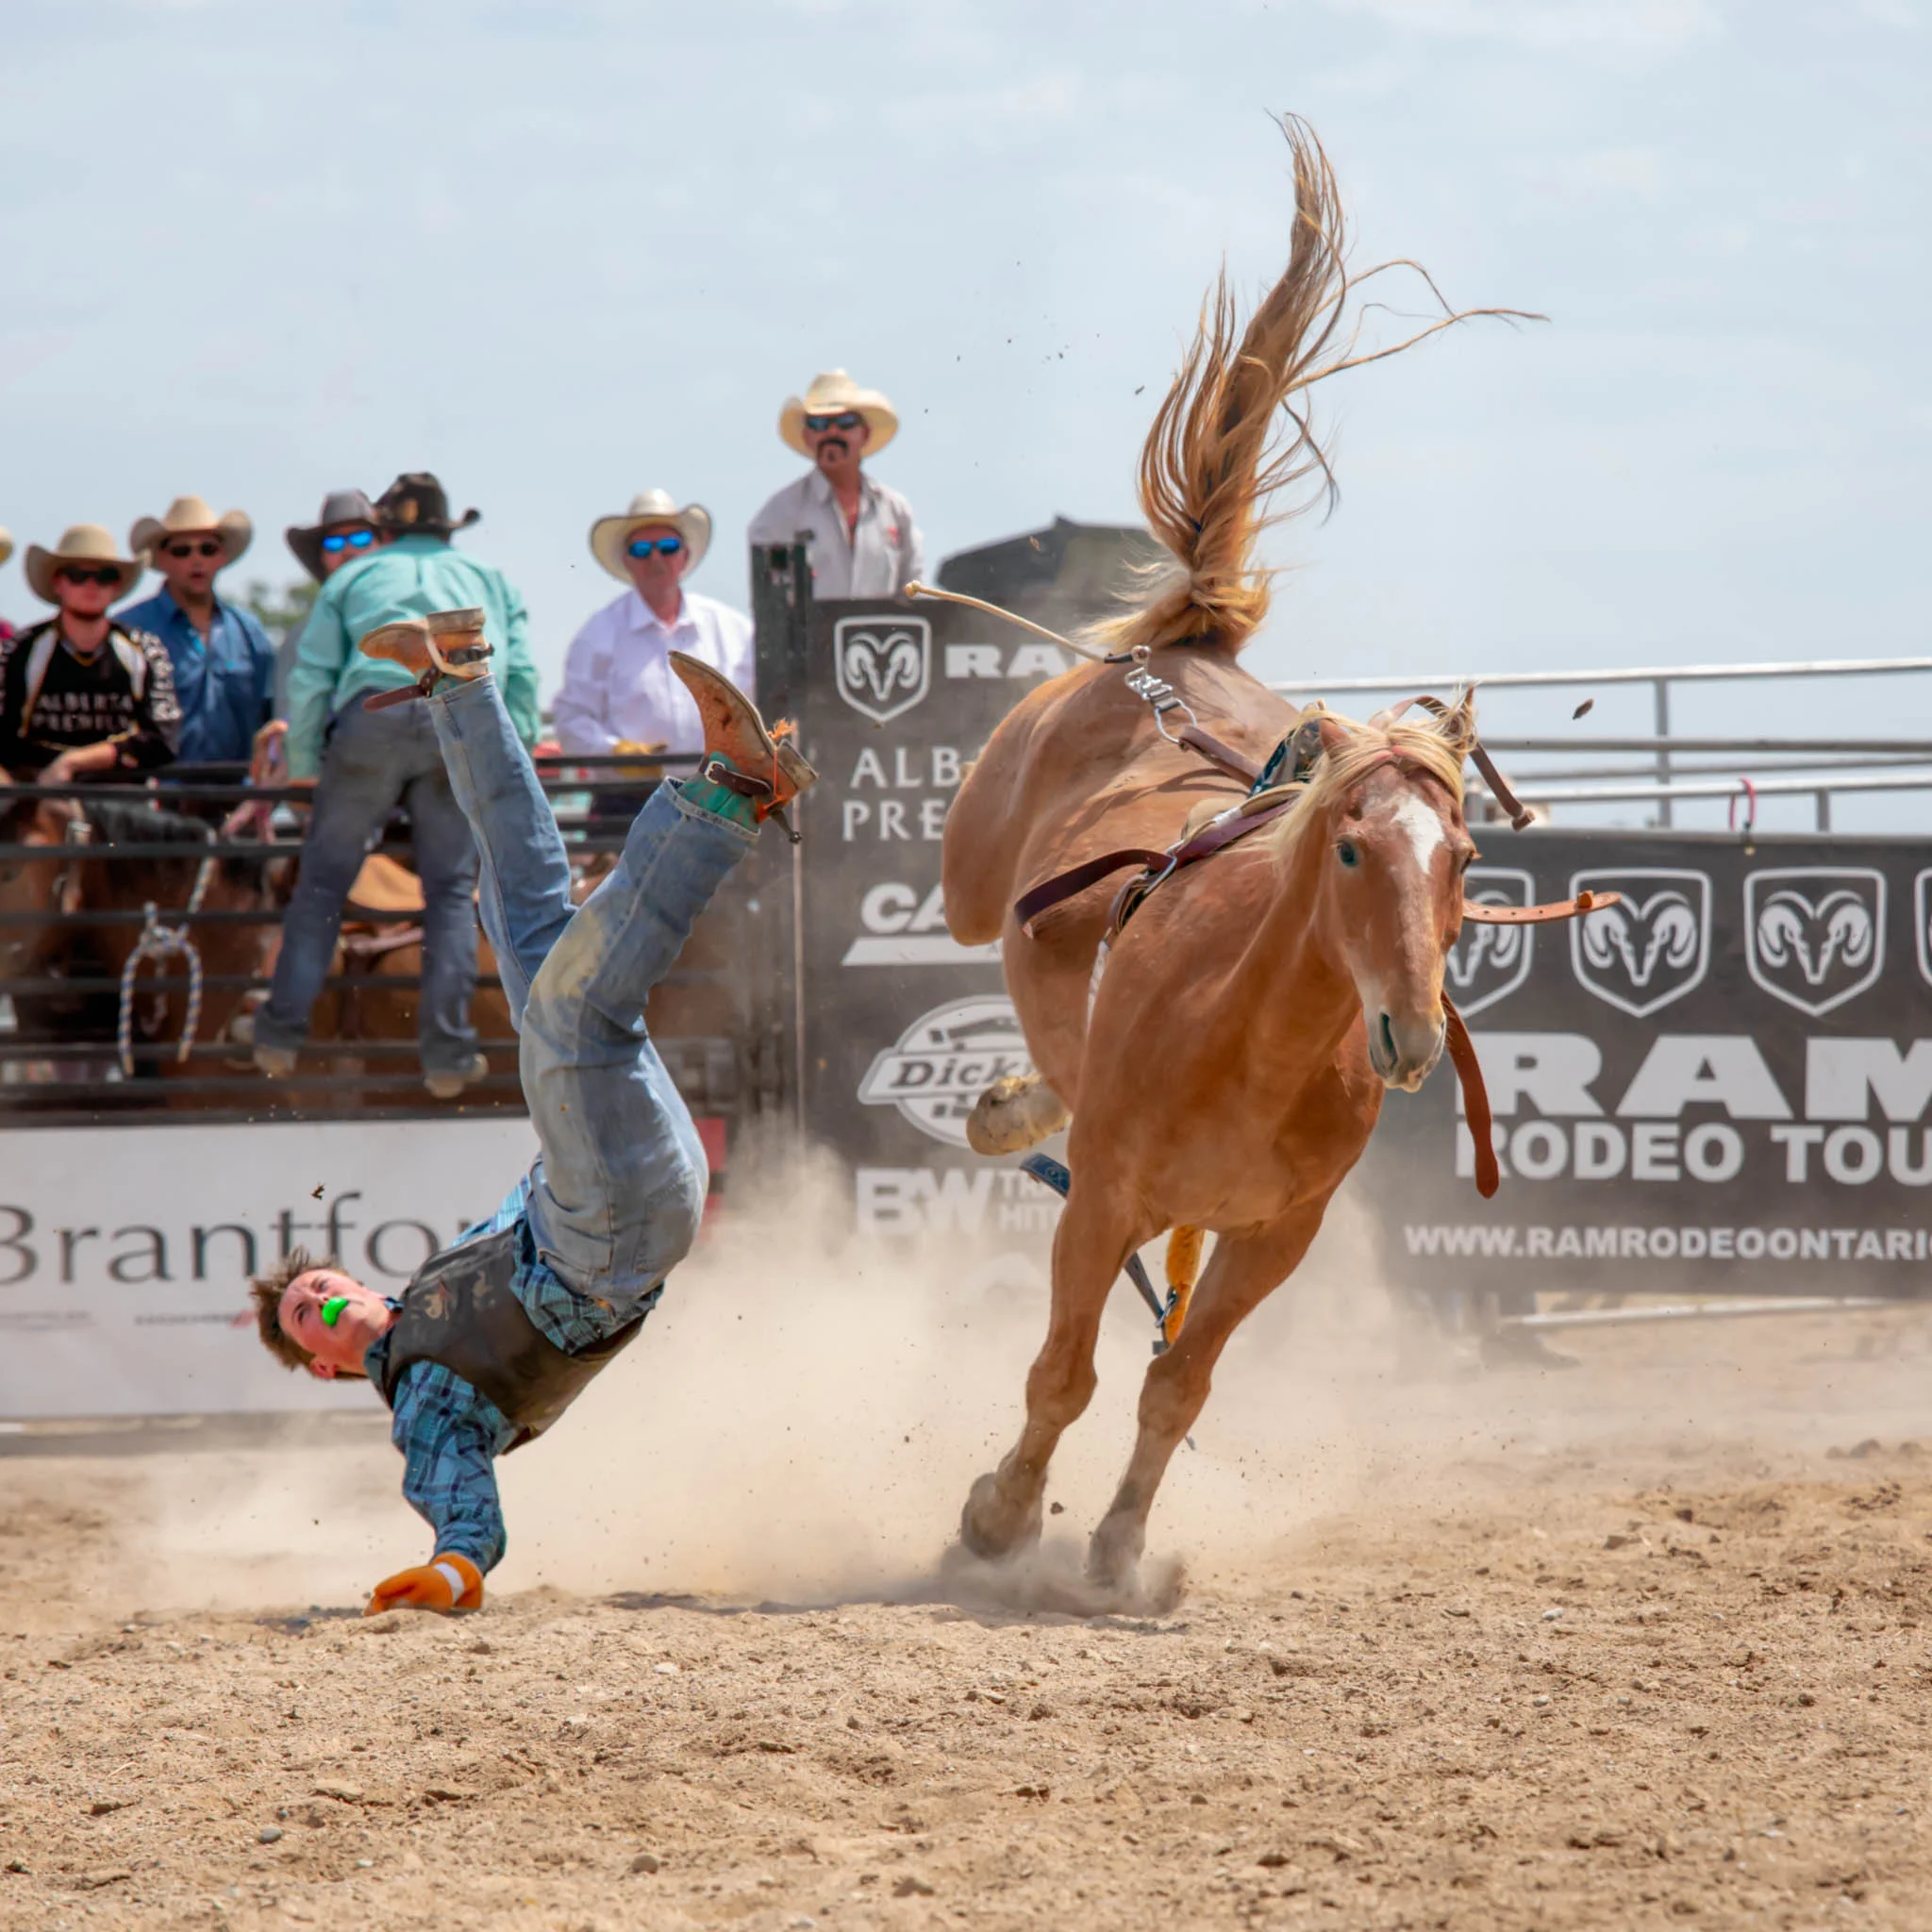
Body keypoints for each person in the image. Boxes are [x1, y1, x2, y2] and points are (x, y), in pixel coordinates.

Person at [246, 608, 814, 1615]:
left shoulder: (432, 1289)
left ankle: (459, 682)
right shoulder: (421, 1403)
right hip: (603, 1245)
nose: (325, 1304)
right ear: (326, 1368)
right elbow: (468, 1517)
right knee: (563, 1011)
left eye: (321, 1288)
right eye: (309, 1319)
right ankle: (731, 791)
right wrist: (453, 1569)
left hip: (602, 1200)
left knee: (524, 927)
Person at [260, 474, 539, 1098]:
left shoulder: (352, 579)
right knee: (450, 892)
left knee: (324, 881)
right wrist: (511, 754)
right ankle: (446, 1052)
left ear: (383, 531)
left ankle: (280, 1033)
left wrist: (304, 762)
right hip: (457, 714)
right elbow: (519, 674)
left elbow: (310, 679)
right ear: (446, 529)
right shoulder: (488, 579)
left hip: (375, 715)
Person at [552, 489, 754, 761]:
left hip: (722, 792)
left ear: (684, 556)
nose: (656, 558)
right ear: (627, 561)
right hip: (630, 797)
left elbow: (765, 705)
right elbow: (571, 721)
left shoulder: (733, 629)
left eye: (668, 547)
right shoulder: (597, 635)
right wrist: (617, 754)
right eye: (642, 550)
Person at [0, 525, 179, 782]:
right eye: (78, 576)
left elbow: (163, 740)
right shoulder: (20, 651)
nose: (92, 585)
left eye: (105, 576)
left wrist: (75, 762)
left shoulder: (147, 651)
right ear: (58, 583)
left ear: (117, 586)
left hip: (124, 799)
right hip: (37, 796)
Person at [116, 495, 275, 771]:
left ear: (222, 556)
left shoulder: (249, 632)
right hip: (155, 798)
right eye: (182, 551)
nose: (196, 559)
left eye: (207, 549)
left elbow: (270, 720)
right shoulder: (129, 631)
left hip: (238, 796)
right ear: (161, 558)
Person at [746, 370, 924, 598]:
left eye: (845, 422)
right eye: (819, 423)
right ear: (807, 437)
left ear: (865, 434)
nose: (832, 432)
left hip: (883, 633)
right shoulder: (779, 514)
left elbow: (915, 591)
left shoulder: (895, 510)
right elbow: (769, 602)